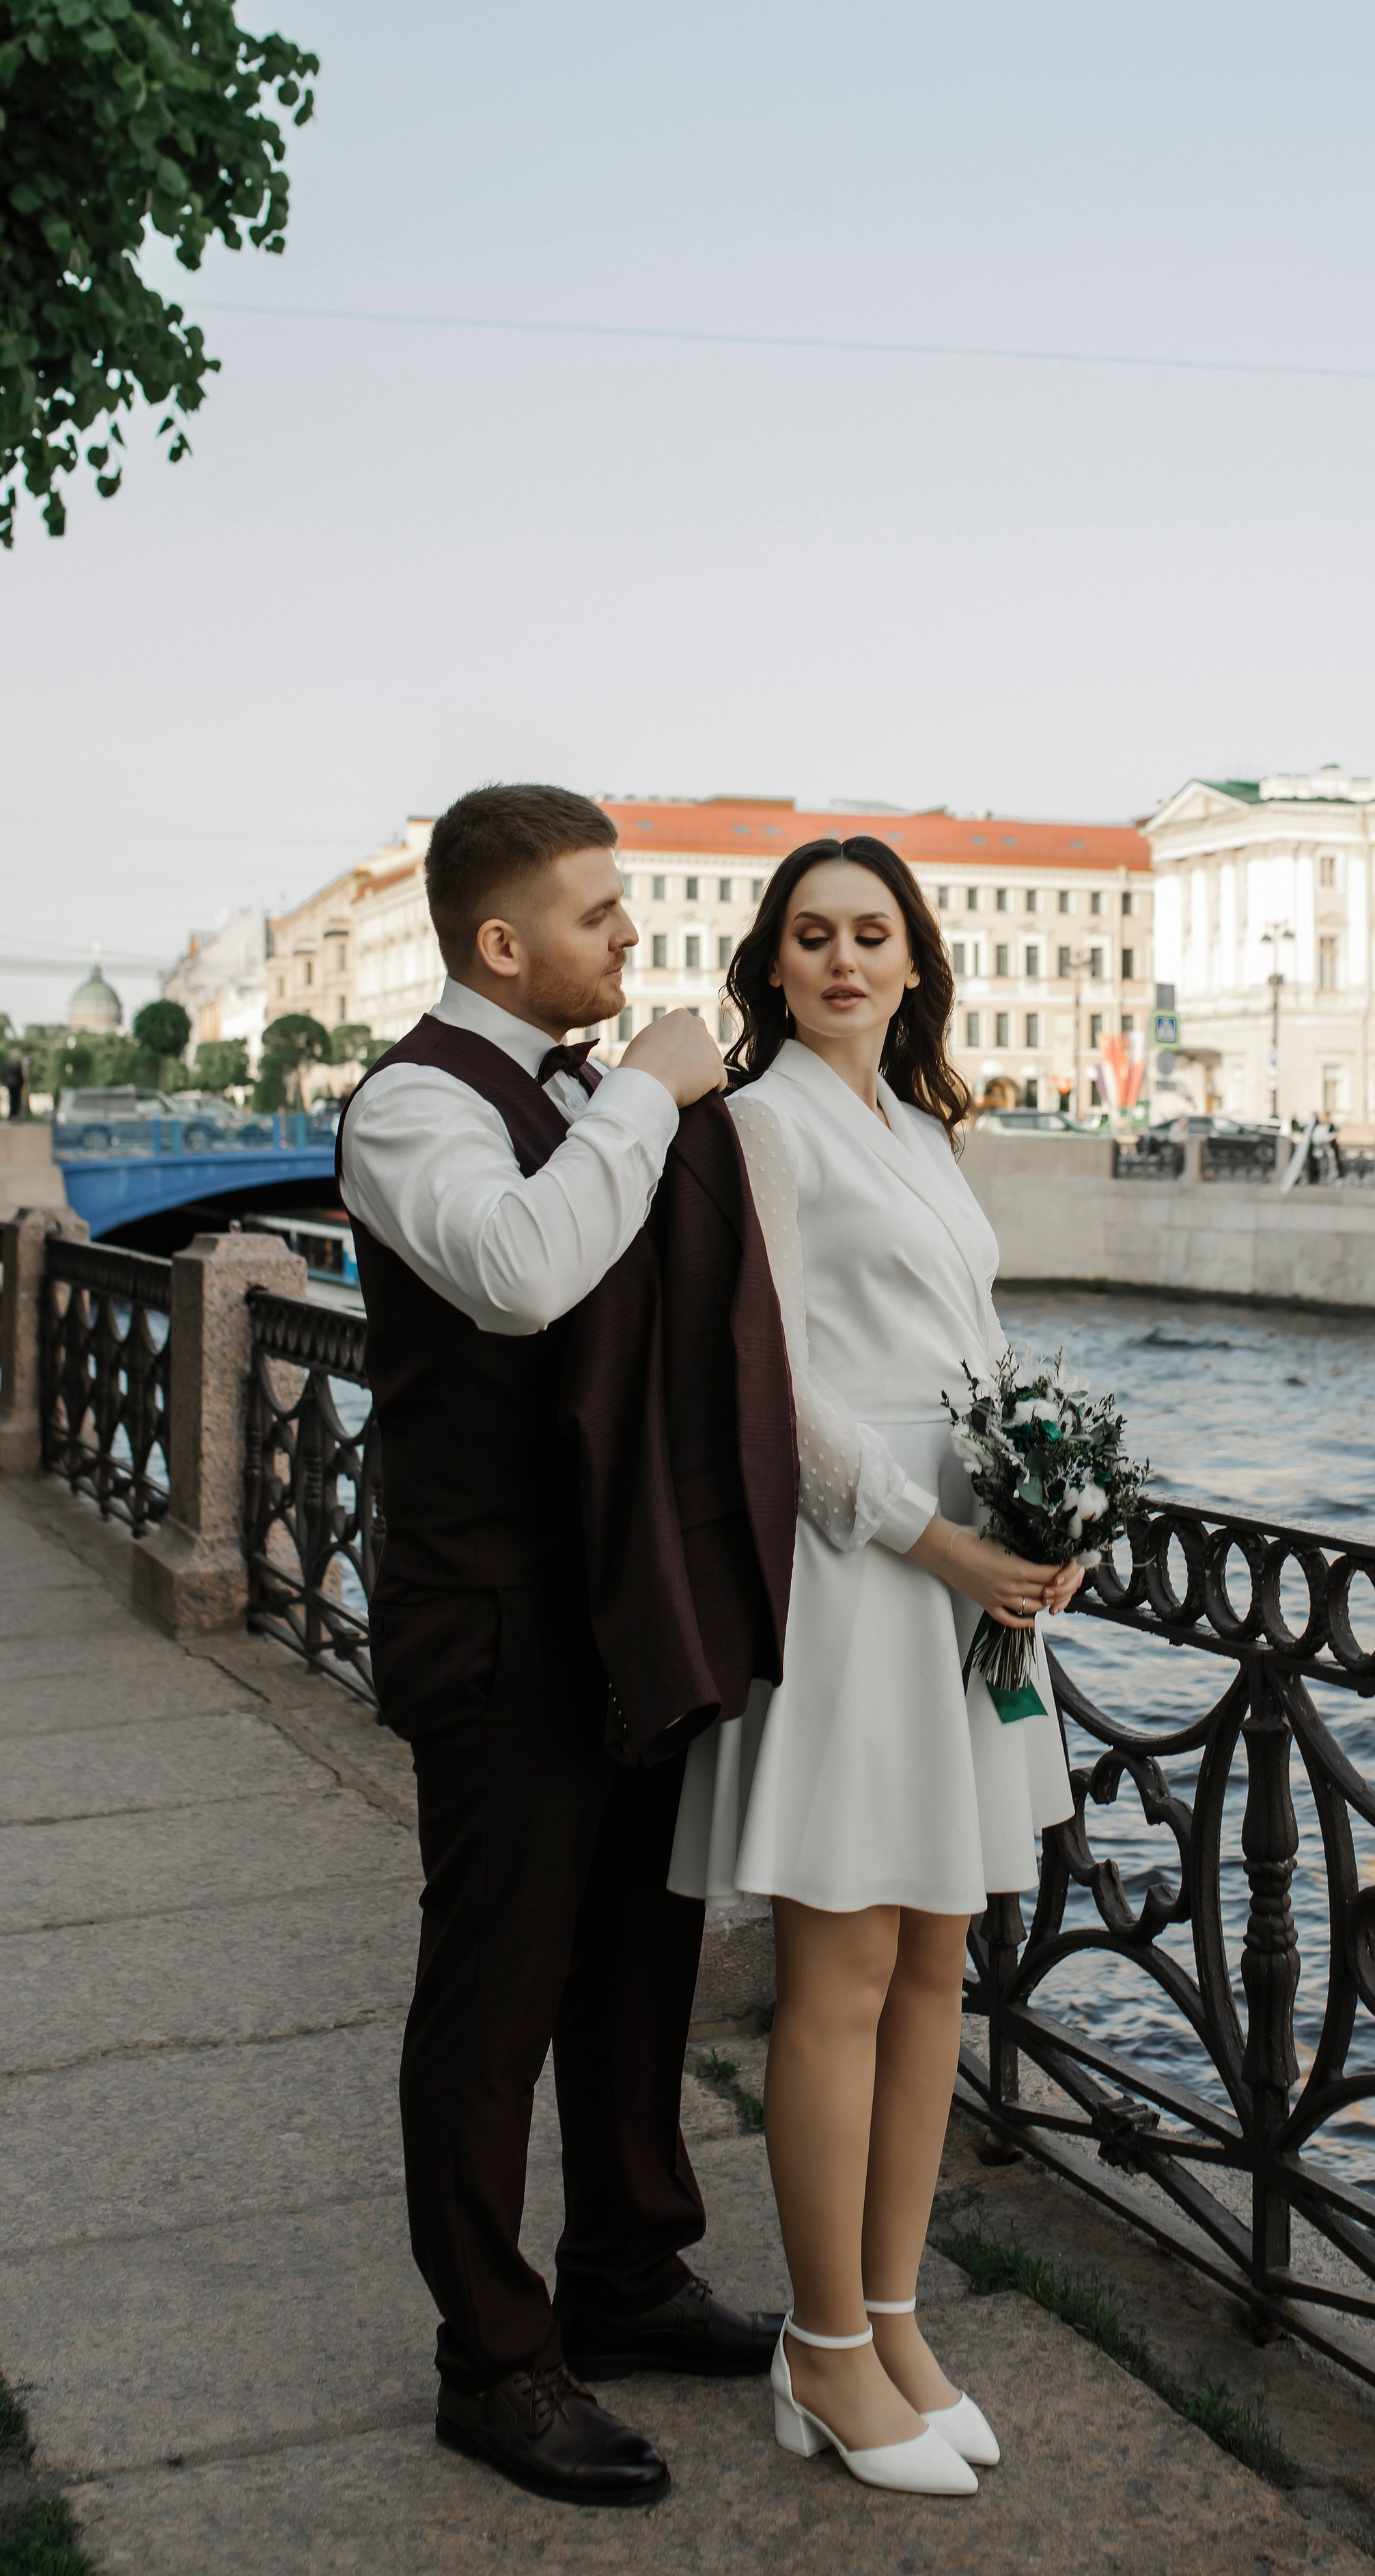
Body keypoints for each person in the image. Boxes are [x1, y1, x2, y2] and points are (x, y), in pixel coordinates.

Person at [335, 785, 787, 2510]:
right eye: (597, 915)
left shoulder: (573, 1090)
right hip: (499, 1614)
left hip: (619, 1601)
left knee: (631, 1964)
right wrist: (649, 1100)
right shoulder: (409, 1108)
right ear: (502, 944)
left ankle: (623, 2268)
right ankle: (494, 2355)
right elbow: (522, 1275)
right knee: (494, 1991)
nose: (627, 940)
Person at [669, 837, 1080, 2497]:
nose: (843, 959)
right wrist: (940, 1540)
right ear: (771, 964)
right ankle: (823, 2345)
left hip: (968, 1568)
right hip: (860, 1569)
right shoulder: (754, 1125)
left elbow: (959, 1349)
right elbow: (764, 1381)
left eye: (872, 934)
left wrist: (1048, 1486)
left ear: (915, 961)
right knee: (838, 1973)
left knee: (936, 1963)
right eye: (811, 935)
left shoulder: (921, 1123)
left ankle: (892, 2317)